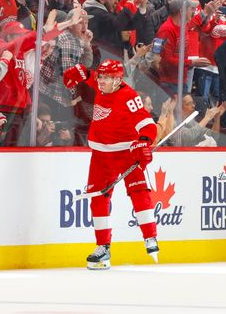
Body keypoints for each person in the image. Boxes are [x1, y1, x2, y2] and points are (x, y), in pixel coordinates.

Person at [62, 59, 160, 269]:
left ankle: (150, 237)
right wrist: (80, 71)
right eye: (101, 76)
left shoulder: (129, 96)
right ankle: (103, 248)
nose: (102, 81)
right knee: (98, 198)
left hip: (126, 152)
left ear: (118, 80)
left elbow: (147, 123)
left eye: (106, 78)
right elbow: (88, 76)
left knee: (139, 192)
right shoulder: (100, 84)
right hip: (100, 154)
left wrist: (144, 142)